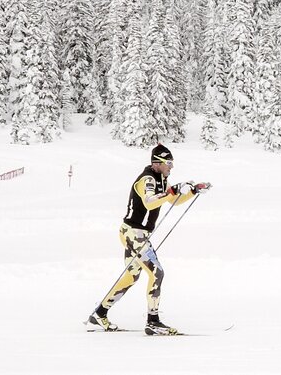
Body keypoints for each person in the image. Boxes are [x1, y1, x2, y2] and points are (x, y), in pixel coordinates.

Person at [86, 143, 209, 335]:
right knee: (157, 273)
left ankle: (99, 314)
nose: (171, 166)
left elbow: (172, 201)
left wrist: (192, 192)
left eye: (172, 163)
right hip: (134, 234)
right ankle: (153, 321)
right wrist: (173, 190)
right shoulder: (148, 179)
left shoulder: (160, 178)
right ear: (157, 162)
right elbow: (150, 203)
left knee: (131, 275)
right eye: (168, 162)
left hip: (135, 234)